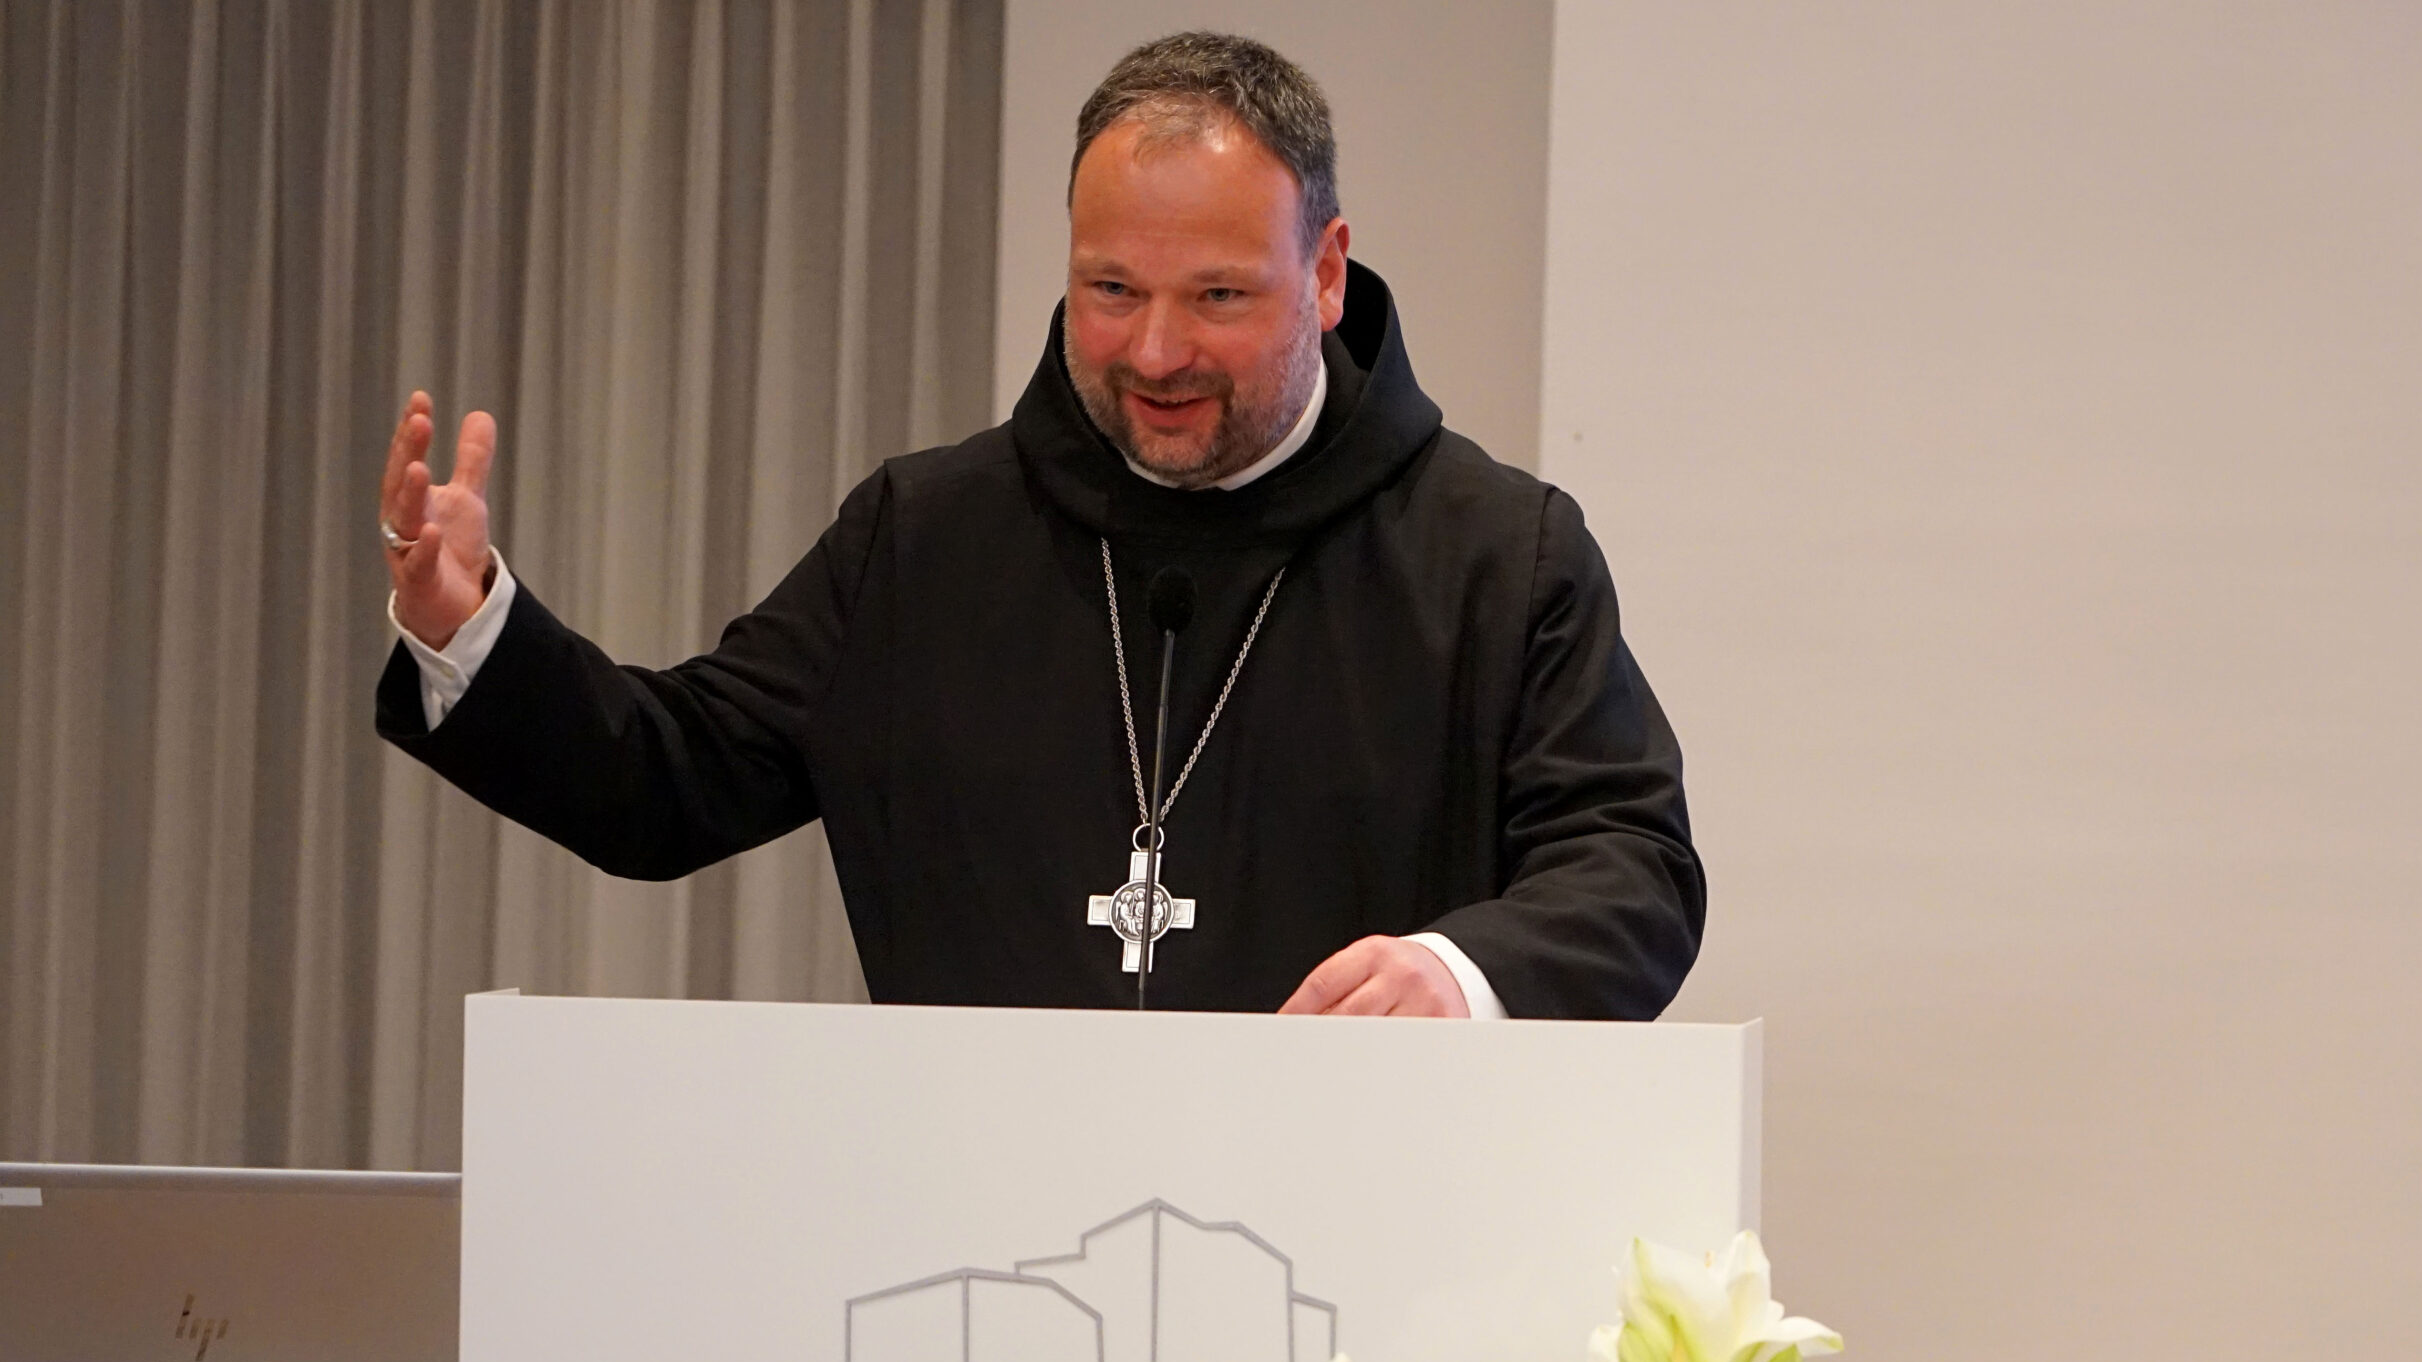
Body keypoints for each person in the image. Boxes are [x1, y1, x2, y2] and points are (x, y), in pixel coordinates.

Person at [374, 32, 1701, 1018]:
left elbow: (1632, 870)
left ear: (1328, 268)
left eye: (1220, 297)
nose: (1158, 349)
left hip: (1368, 1262)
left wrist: (1454, 973)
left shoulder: (1496, 556)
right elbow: (662, 782)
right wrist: (469, 626)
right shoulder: (927, 540)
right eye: (1111, 288)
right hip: (970, 1225)